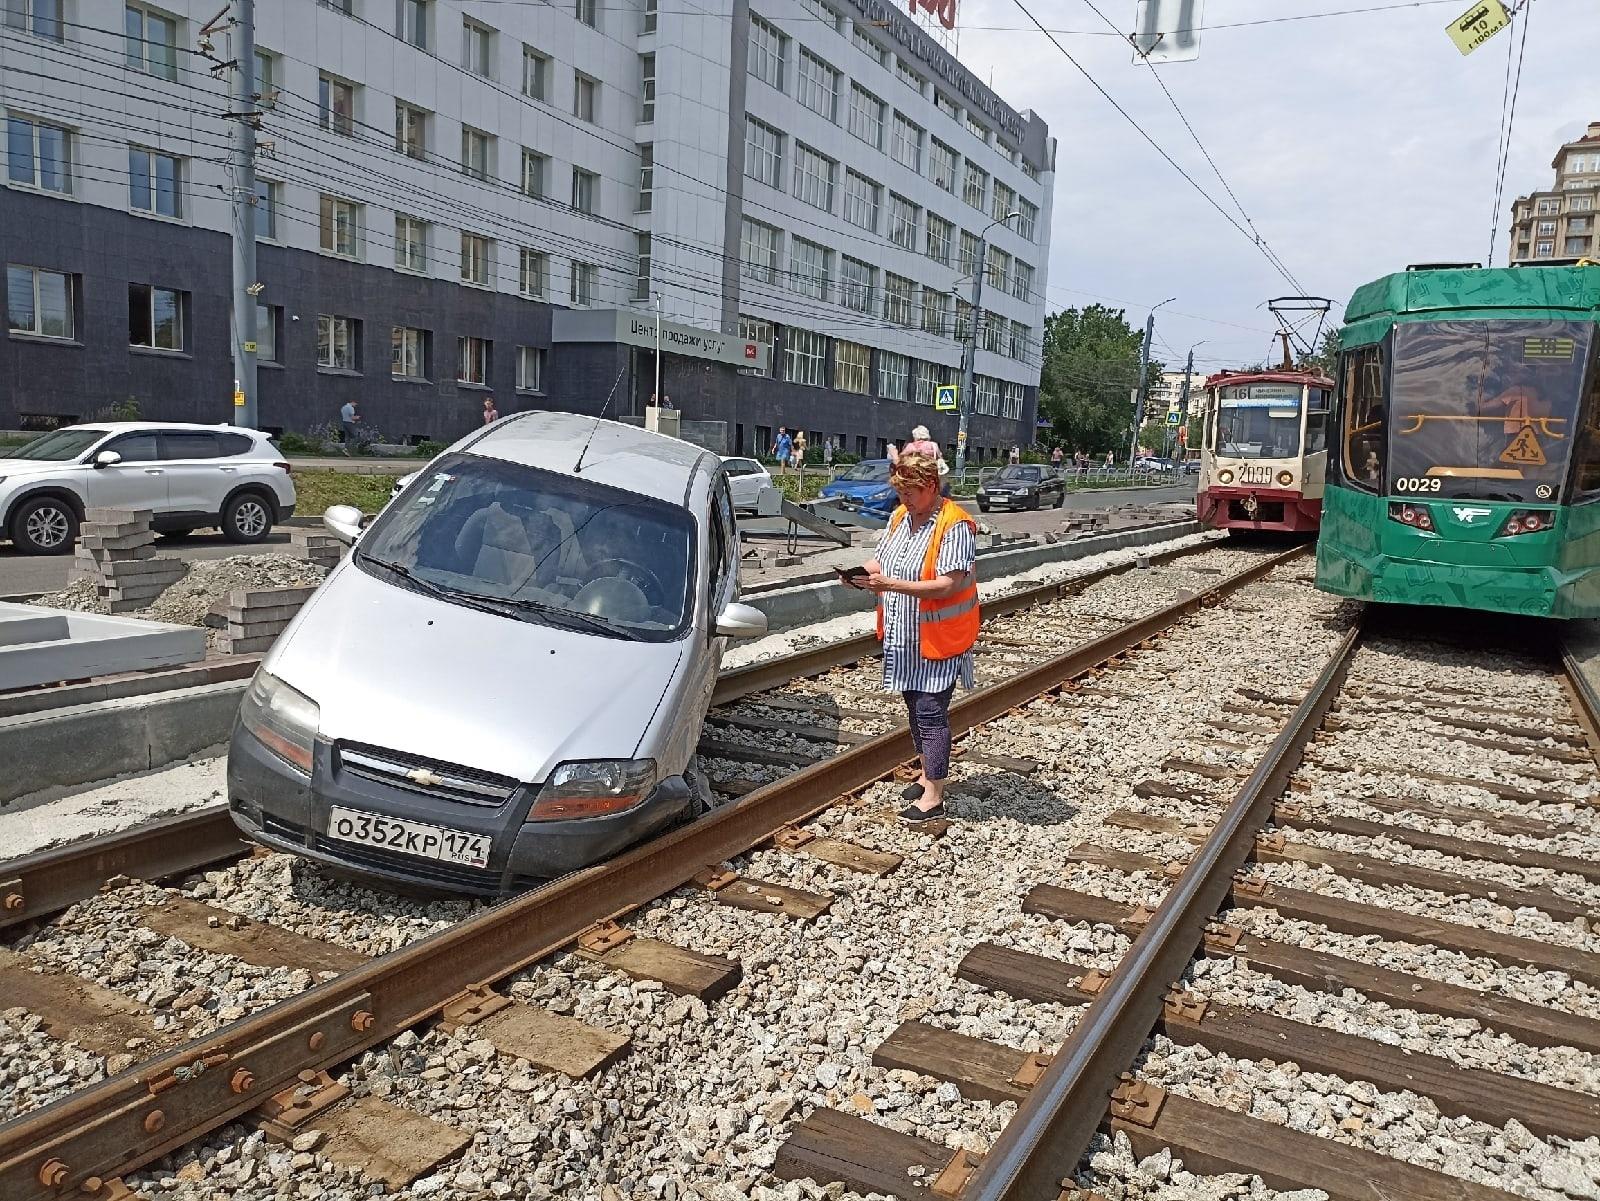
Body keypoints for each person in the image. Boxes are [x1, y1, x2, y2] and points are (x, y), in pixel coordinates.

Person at [847, 450, 979, 824]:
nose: (904, 498)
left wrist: (889, 584)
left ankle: (935, 795)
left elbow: (946, 584)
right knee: (914, 708)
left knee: (929, 711)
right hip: (905, 635)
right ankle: (926, 776)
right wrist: (861, 574)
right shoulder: (900, 517)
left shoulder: (955, 525)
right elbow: (883, 561)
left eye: (912, 491)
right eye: (900, 491)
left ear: (932, 486)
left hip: (940, 638)